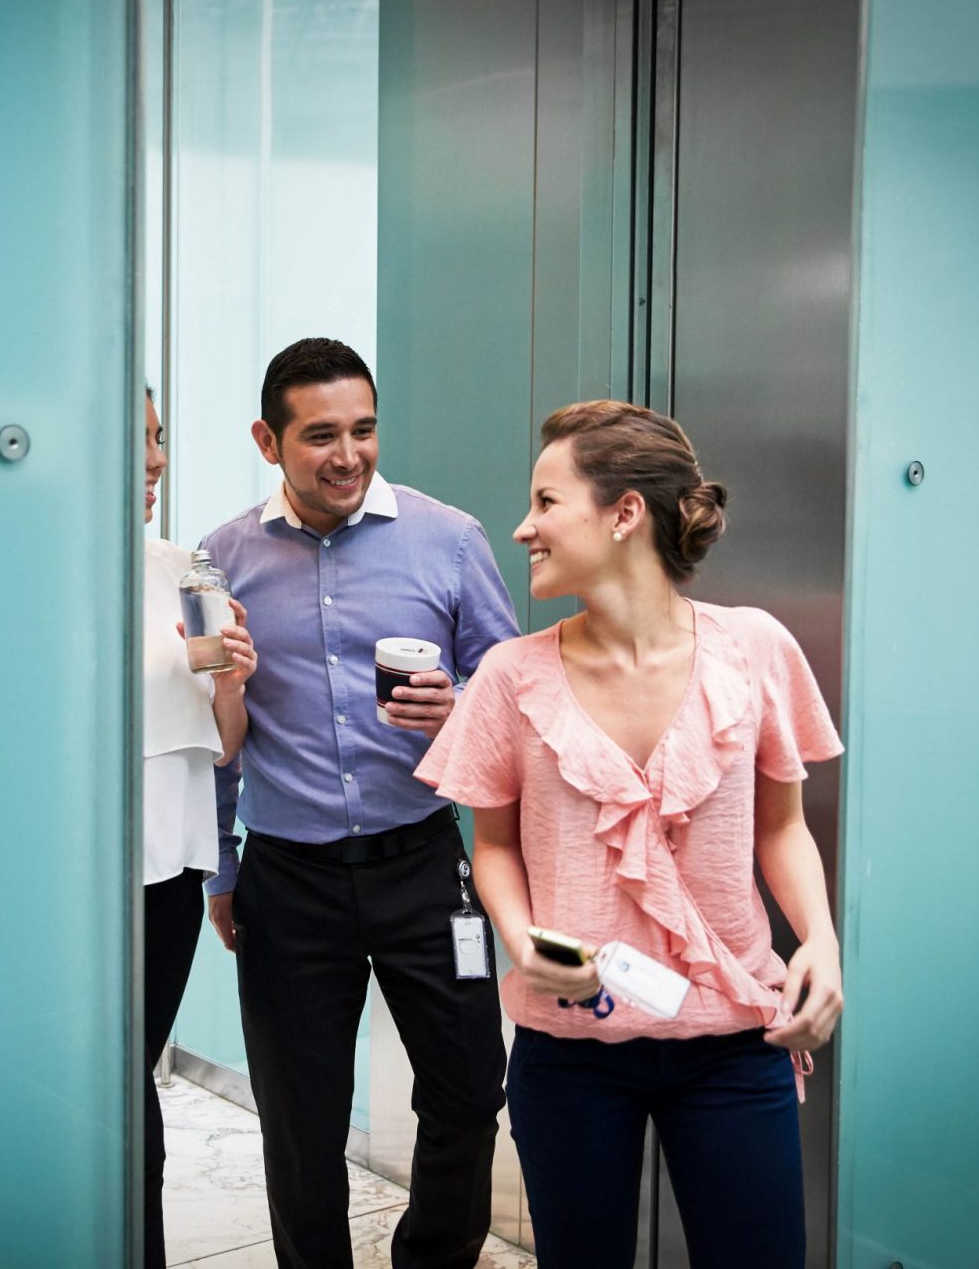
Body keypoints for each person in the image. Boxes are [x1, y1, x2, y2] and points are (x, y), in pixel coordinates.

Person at [414, 400, 845, 1268]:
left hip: (735, 1040)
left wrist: (823, 944)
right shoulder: (510, 676)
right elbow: (491, 842)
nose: (523, 526)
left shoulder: (756, 648)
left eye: (545, 501)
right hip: (571, 1047)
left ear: (624, 513)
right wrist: (520, 935)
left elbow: (784, 826)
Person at [198, 338, 522, 1269]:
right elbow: (218, 730)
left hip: (425, 861)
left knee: (468, 1085)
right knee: (299, 1117)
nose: (349, 455)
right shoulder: (221, 561)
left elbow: (513, 704)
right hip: (288, 878)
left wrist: (457, 711)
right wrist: (224, 867)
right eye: (321, 435)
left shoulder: (449, 538)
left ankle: (433, 1254)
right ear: (269, 440)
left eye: (365, 429)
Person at [141, 388, 257, 1269]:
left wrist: (230, 681)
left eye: (159, 439)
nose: (155, 461)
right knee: (101, 1086)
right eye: (136, 441)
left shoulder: (184, 568)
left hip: (172, 867)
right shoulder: (29, 576)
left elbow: (225, 744)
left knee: (128, 1074)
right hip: (72, 874)